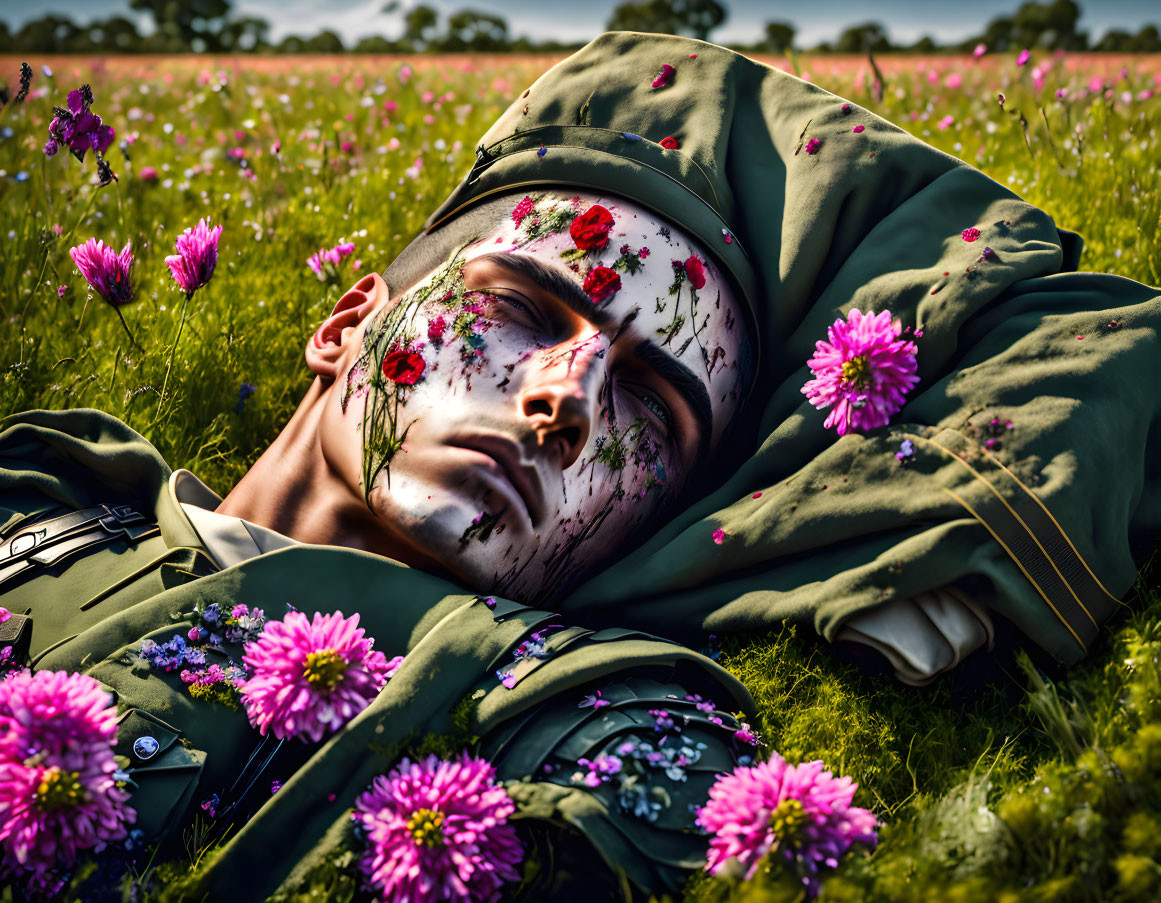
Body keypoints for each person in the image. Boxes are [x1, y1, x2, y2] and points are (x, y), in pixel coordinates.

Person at [4, 29, 1161, 900]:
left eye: (653, 416)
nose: (563, 401)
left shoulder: (571, 706)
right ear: (348, 318)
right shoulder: (49, 499)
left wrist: (893, 527)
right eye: (518, 310)